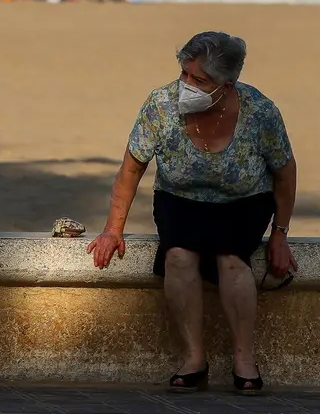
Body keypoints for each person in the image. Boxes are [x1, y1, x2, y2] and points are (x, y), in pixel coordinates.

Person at [87, 31, 297, 395]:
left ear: (227, 84)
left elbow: (285, 172)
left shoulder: (260, 111)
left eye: (199, 80)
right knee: (179, 256)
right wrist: (112, 229)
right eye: (185, 73)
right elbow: (131, 169)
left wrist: (279, 233)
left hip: (243, 202)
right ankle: (193, 359)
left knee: (232, 259)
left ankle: (244, 358)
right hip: (179, 200)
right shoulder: (161, 104)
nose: (187, 84)